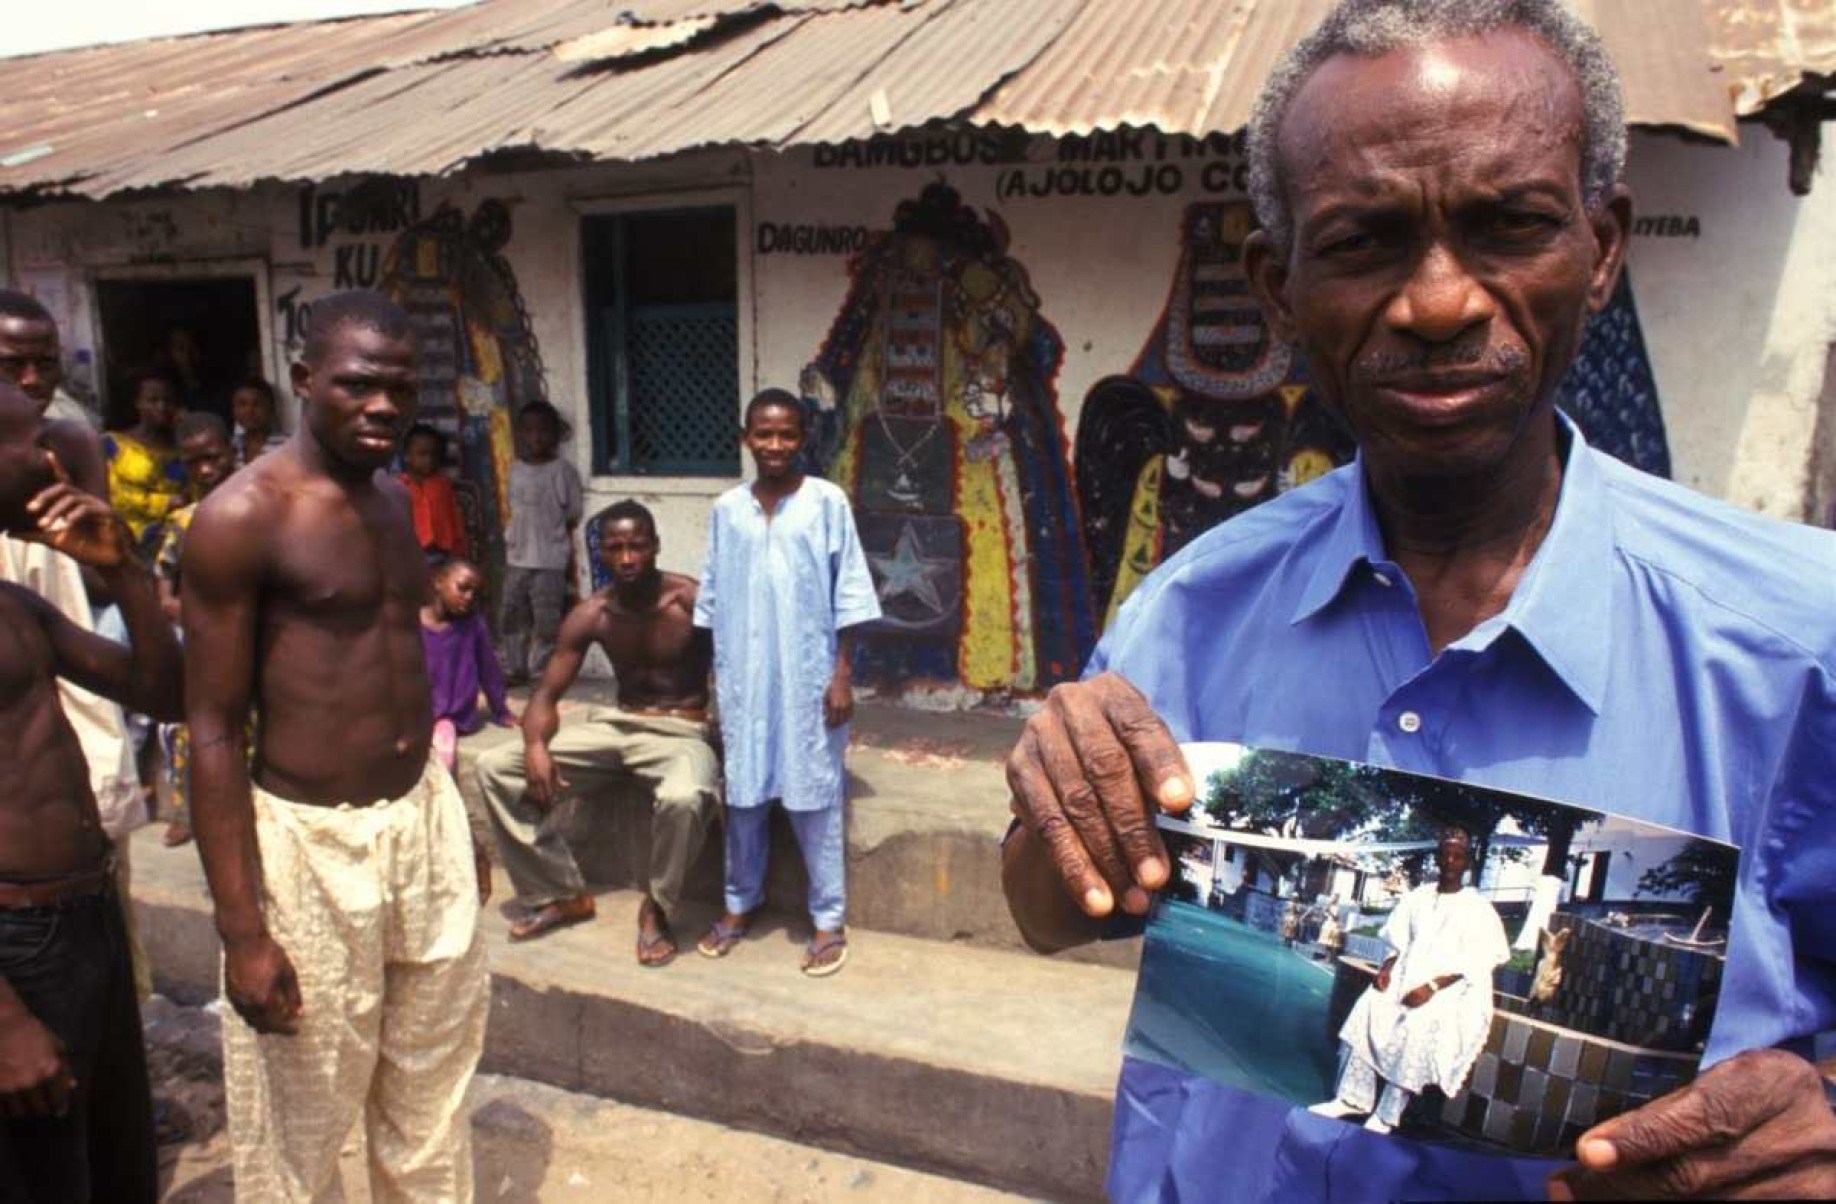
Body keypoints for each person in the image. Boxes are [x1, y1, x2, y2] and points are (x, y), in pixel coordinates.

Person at [999, 1, 1836, 1199]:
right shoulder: (1187, 611)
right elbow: (1056, 910)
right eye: (1363, 241)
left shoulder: (1799, 642)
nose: (1440, 303)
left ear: (1602, 249)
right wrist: (1054, 811)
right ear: (1276, 286)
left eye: (1511, 225)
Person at [181, 290, 490, 1202]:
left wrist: (446, 818)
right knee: (301, 1122)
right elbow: (209, 731)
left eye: (401, 388)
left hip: (418, 820)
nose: (384, 408)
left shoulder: (395, 500)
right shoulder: (244, 518)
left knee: (430, 1098)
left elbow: (400, 664)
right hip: (309, 847)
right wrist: (243, 932)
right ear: (305, 379)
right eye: (358, 386)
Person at [0, 377, 183, 1203]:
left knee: (113, 1162)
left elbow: (163, 692)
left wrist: (130, 576)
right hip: (16, 944)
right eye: (29, 442)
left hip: (85, 918)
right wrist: (3, 1023)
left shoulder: (16, 607)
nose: (51, 461)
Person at [476, 501, 720, 965]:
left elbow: (742, 667)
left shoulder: (689, 600)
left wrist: (731, 749)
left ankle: (658, 907)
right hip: (615, 725)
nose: (627, 558)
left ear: (655, 547)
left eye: (637, 546)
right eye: (615, 548)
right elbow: (546, 694)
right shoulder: (592, 614)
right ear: (601, 554)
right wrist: (533, 746)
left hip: (681, 730)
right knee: (495, 768)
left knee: (685, 798)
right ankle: (559, 892)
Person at [693, 390, 881, 976]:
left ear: (803, 439)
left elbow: (849, 593)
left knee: (815, 794)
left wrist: (842, 676)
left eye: (788, 434)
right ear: (746, 438)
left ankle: (828, 918)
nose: (776, 445)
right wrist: (712, 687)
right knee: (744, 793)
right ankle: (738, 903)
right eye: (765, 434)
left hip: (809, 678)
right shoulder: (727, 509)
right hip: (744, 678)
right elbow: (713, 600)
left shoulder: (826, 502)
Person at [1311, 829, 1508, 1134]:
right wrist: (1387, 967)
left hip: (1446, 989)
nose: (1450, 861)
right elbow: (1399, 938)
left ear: (1467, 864)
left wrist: (1430, 987)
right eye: (1445, 854)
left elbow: (1476, 960)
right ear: (1437, 858)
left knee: (1416, 1029)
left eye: (1458, 856)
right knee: (1369, 1008)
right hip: (1406, 973)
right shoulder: (1418, 896)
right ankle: (1352, 1099)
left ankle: (1386, 1115)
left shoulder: (1478, 909)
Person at [152, 412, 239, 847]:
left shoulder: (256, 510)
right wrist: (181, 608)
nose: (206, 470)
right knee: (192, 730)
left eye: (214, 458)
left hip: (252, 637)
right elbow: (164, 584)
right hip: (203, 641)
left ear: (232, 453)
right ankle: (187, 811)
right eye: (194, 462)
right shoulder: (183, 521)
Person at [501, 400, 582, 683]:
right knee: (512, 613)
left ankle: (542, 671)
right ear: (521, 434)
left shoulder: (562, 471)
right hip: (517, 557)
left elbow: (573, 512)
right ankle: (515, 667)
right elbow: (511, 506)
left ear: (555, 435)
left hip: (549, 559)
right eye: (530, 431)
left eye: (544, 431)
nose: (537, 437)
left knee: (547, 618)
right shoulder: (515, 470)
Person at [421, 556, 515, 775]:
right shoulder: (411, 626)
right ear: (438, 582)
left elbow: (489, 670)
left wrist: (501, 711)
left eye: (475, 593)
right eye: (462, 588)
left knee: (441, 764)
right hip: (418, 716)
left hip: (450, 717)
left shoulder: (473, 625)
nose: (468, 597)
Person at [101, 368, 186, 554]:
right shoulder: (114, 445)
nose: (161, 407)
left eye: (168, 401)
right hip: (125, 540)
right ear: (138, 403)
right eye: (153, 401)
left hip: (174, 541)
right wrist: (166, 502)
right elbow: (114, 495)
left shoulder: (183, 450)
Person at [399, 422, 469, 562]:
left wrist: (459, 550)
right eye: (422, 454)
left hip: (443, 550)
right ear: (407, 456)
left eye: (434, 455)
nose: (429, 460)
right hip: (410, 553)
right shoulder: (398, 486)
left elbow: (453, 517)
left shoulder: (442, 485)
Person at [229, 377, 287, 466]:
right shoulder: (230, 446)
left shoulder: (287, 445)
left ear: (270, 408)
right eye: (242, 404)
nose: (249, 411)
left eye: (257, 404)